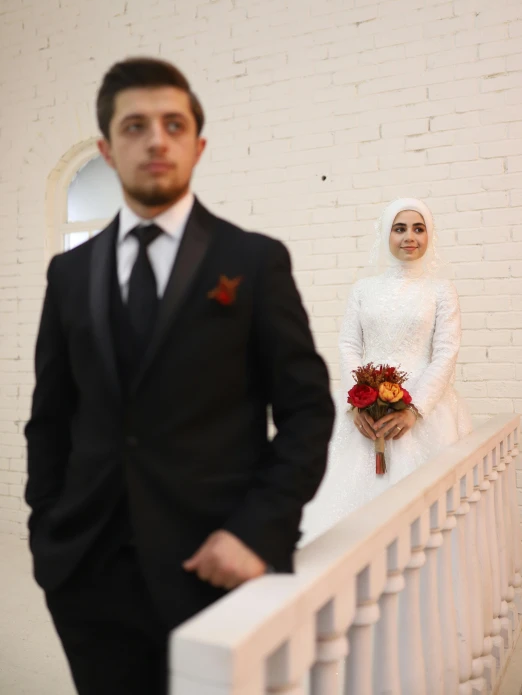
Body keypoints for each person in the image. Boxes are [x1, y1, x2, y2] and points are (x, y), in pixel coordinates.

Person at [24, 57, 335, 695]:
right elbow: (51, 417)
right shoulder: (69, 276)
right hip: (89, 575)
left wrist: (257, 531)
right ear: (108, 150)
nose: (156, 139)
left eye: (173, 123)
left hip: (216, 565)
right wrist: (49, 538)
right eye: (135, 126)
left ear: (198, 144)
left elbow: (307, 411)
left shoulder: (252, 261)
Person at [301, 197, 472, 545]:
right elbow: (349, 345)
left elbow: (445, 352)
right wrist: (358, 401)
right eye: (400, 228)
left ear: (429, 236)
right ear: (386, 234)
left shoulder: (441, 290)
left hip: (423, 411)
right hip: (364, 410)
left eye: (418, 228)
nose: (410, 236)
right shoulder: (364, 289)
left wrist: (414, 409)